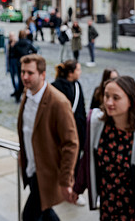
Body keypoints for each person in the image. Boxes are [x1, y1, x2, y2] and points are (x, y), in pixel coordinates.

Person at [73, 76, 135, 220]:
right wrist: (78, 187)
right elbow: (88, 157)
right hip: (107, 206)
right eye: (106, 96)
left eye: (116, 98)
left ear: (130, 101)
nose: (109, 102)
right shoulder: (98, 125)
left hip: (132, 212)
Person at [18, 54, 79, 220]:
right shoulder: (28, 93)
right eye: (23, 72)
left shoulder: (58, 102)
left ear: (42, 75)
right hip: (31, 167)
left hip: (46, 172)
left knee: (29, 215)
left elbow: (71, 143)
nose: (24, 77)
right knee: (45, 211)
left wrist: (65, 180)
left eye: (30, 73)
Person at [51, 59, 87, 206]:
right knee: (63, 159)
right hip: (62, 131)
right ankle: (62, 186)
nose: (80, 72)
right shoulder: (56, 87)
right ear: (71, 73)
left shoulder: (78, 85)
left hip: (77, 130)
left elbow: (81, 109)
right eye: (78, 70)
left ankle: (72, 189)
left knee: (75, 159)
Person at [12, 30, 38, 102]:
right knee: (25, 79)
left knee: (20, 79)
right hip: (26, 63)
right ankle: (23, 93)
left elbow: (13, 53)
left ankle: (19, 94)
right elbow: (35, 50)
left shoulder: (17, 43)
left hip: (19, 63)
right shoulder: (28, 43)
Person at [6, 31, 19, 98]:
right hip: (10, 61)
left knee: (17, 77)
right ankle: (15, 90)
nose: (10, 37)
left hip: (15, 61)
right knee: (12, 77)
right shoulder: (8, 43)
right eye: (10, 36)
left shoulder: (17, 43)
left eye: (12, 36)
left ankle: (18, 91)